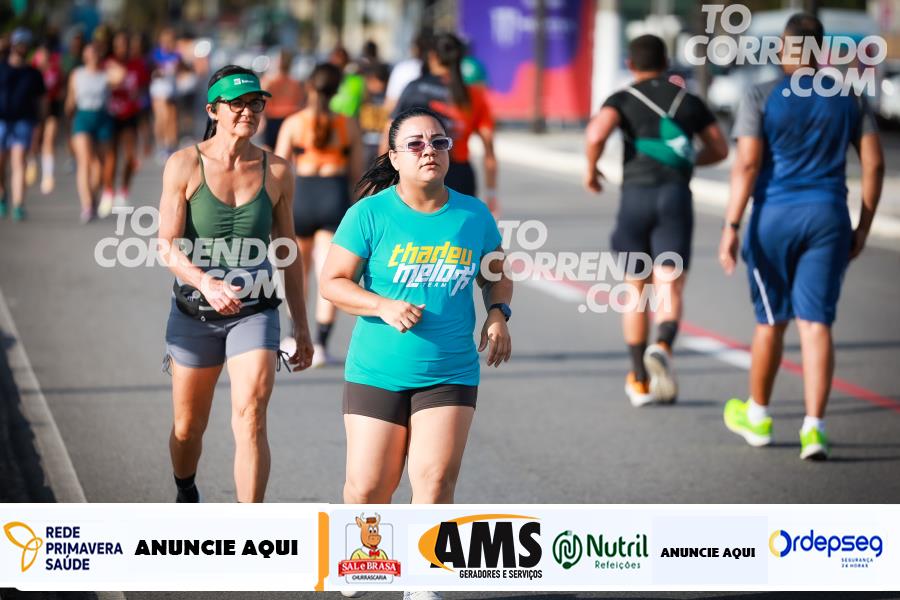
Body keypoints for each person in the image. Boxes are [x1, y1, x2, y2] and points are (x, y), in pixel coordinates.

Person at [320, 107, 512, 600]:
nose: (430, 151)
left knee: (435, 479)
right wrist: (381, 305)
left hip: (450, 370)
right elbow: (332, 283)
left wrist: (497, 313)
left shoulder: (472, 215)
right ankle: (361, 556)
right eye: (417, 144)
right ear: (394, 157)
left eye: (439, 142)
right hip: (377, 370)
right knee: (369, 488)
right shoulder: (369, 214)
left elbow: (496, 274)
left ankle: (421, 579)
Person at [719, 14, 884, 460]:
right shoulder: (849, 96)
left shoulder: (760, 95)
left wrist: (731, 226)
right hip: (829, 217)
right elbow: (873, 164)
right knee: (816, 324)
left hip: (773, 218)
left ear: (782, 49)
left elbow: (747, 165)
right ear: (822, 50)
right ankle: (814, 429)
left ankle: (758, 416)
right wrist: (863, 226)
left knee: (771, 321)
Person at [157, 65, 314, 502]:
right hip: (194, 311)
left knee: (251, 416)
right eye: (238, 103)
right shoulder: (184, 164)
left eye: (256, 103)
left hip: (255, 311)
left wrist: (302, 326)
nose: (249, 111)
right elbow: (166, 246)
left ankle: (249, 527)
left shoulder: (276, 170)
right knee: (187, 428)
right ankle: (186, 489)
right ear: (213, 110)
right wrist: (205, 282)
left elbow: (288, 252)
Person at [584, 34, 728, 407]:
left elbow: (596, 133)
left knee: (636, 290)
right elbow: (719, 147)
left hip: (635, 199)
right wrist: (689, 160)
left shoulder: (622, 99)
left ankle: (639, 379)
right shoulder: (689, 101)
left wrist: (591, 170)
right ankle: (662, 345)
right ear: (666, 63)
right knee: (669, 287)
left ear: (630, 64)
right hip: (675, 198)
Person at [275, 63, 363, 366]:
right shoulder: (347, 124)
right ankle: (322, 344)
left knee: (297, 274)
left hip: (302, 197)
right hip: (333, 197)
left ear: (309, 87)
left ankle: (294, 335)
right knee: (329, 273)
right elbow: (357, 174)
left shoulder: (294, 122)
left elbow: (279, 168)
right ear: (336, 91)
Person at [390, 33, 498, 215]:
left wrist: (385, 176)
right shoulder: (473, 95)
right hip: (461, 177)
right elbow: (489, 149)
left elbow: (390, 132)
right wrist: (491, 193)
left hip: (420, 171)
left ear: (432, 56)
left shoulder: (415, 89)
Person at [67, 42, 122, 222]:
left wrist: (110, 62)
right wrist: (68, 123)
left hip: (102, 118)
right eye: (89, 53)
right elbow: (70, 100)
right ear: (84, 56)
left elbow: (122, 75)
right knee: (84, 161)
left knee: (99, 165)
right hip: (82, 117)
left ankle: (93, 197)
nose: (92, 56)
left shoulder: (105, 75)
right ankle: (87, 204)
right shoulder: (77, 74)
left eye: (95, 53)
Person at [0, 28, 46, 222]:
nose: (22, 48)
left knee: (19, 161)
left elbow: (42, 101)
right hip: (2, 121)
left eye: (25, 45)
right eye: (20, 43)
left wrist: (40, 126)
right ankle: (2, 195)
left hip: (24, 121)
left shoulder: (33, 73)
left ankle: (19, 204)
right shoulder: (2, 68)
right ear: (13, 45)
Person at [103, 30, 146, 208]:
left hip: (130, 115)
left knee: (129, 156)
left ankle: (123, 191)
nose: (122, 48)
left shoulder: (137, 65)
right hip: (111, 115)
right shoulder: (107, 64)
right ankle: (108, 192)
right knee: (111, 156)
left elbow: (142, 89)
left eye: (125, 45)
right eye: (118, 45)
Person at [30, 31, 64, 195]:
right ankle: (31, 162)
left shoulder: (56, 66)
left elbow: (62, 84)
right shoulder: (33, 66)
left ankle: (48, 175)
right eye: (42, 52)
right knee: (35, 140)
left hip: (52, 105)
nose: (45, 55)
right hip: (35, 107)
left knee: (49, 139)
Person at [260, 48, 305, 151]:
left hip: (274, 118)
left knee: (269, 150)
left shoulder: (268, 81)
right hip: (289, 118)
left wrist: (262, 118)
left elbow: (261, 100)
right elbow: (301, 102)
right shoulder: (296, 83)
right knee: (287, 150)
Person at [384, 32, 430, 114]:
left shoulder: (403, 68)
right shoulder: (439, 71)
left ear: (415, 48)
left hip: (405, 118)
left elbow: (390, 104)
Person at [328, 45, 365, 119]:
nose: (338, 61)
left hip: (350, 118)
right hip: (334, 117)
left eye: (340, 57)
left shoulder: (355, 77)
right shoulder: (328, 78)